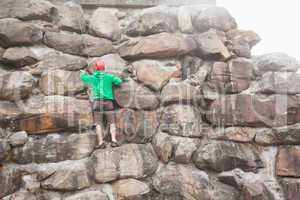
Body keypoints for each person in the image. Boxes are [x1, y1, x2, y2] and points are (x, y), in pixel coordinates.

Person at [80, 61, 123, 148]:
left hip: (97, 103)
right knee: (112, 122)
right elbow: (119, 82)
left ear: (96, 68)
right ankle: (114, 140)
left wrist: (83, 73)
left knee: (98, 123)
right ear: (104, 68)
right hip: (108, 102)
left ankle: (101, 142)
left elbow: (83, 78)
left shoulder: (93, 77)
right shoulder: (109, 77)